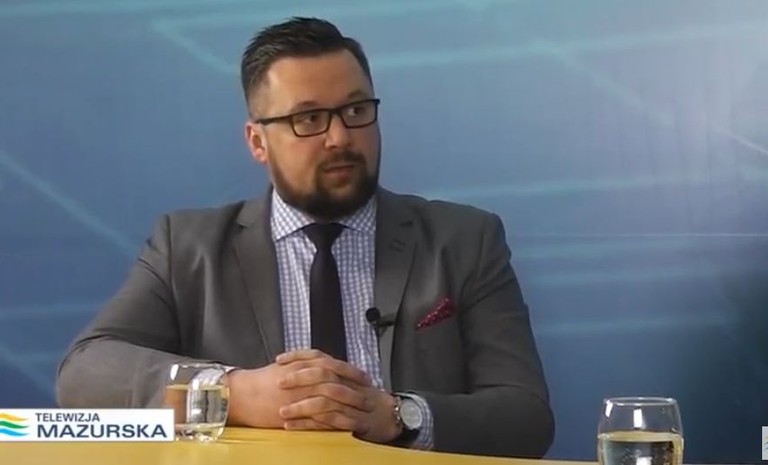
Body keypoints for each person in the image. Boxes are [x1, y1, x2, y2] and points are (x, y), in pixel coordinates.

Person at [55, 17, 554, 458]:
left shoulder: (463, 241)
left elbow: (526, 417)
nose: (340, 138)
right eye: (308, 119)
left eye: (355, 110)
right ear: (257, 141)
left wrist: (398, 416)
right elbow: (85, 372)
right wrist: (231, 393)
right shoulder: (188, 249)